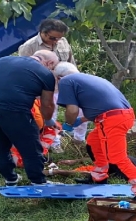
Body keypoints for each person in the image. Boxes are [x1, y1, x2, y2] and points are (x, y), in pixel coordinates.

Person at [53, 61, 136, 205]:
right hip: (121, 115)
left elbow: (72, 110)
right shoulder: (87, 79)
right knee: (93, 141)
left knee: (117, 158)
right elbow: (101, 106)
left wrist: (68, 125)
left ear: (58, 77)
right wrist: (81, 120)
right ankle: (99, 177)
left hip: (111, 120)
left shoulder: (65, 81)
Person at [0, 50, 59, 186]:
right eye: (53, 67)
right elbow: (47, 104)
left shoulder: (1, 59)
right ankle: (38, 181)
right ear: (49, 63)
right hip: (13, 109)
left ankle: (10, 179)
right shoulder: (46, 74)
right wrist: (48, 121)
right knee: (30, 145)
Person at [18, 18, 87, 152]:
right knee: (51, 113)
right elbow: (25, 71)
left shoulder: (63, 41)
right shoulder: (28, 47)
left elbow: (70, 62)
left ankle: (79, 139)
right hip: (46, 87)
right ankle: (54, 144)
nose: (56, 41)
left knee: (81, 109)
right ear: (43, 33)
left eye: (59, 38)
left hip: (67, 82)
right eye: (52, 38)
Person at [0, 98, 59, 168]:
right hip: (17, 130)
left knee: (53, 129)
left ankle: (37, 153)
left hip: (34, 129)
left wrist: (49, 121)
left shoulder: (34, 97)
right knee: (27, 161)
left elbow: (44, 107)